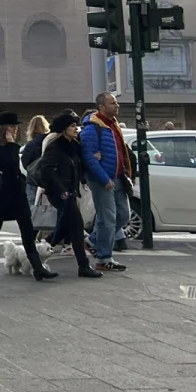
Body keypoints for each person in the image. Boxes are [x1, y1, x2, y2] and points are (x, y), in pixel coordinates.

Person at [0, 113, 55, 281]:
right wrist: (10, 145)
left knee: (27, 228)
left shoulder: (13, 146)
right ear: (3, 129)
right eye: (12, 127)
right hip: (0, 194)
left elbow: (16, 170)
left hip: (17, 193)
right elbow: (7, 166)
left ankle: (37, 268)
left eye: (16, 127)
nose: (16, 130)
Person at [35, 111, 102, 278]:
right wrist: (61, 190)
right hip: (59, 193)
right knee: (77, 226)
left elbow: (78, 165)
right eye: (72, 126)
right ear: (64, 129)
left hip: (71, 192)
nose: (76, 129)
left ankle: (36, 254)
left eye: (76, 126)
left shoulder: (74, 145)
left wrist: (92, 160)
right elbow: (48, 170)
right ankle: (83, 266)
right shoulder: (55, 146)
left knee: (66, 227)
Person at [80, 92, 130, 272]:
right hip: (103, 179)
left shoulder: (112, 125)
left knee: (123, 215)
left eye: (116, 102)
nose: (117, 106)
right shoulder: (92, 128)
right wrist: (103, 178)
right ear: (101, 107)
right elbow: (88, 157)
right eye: (112, 103)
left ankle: (93, 240)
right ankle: (104, 257)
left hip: (117, 177)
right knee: (107, 219)